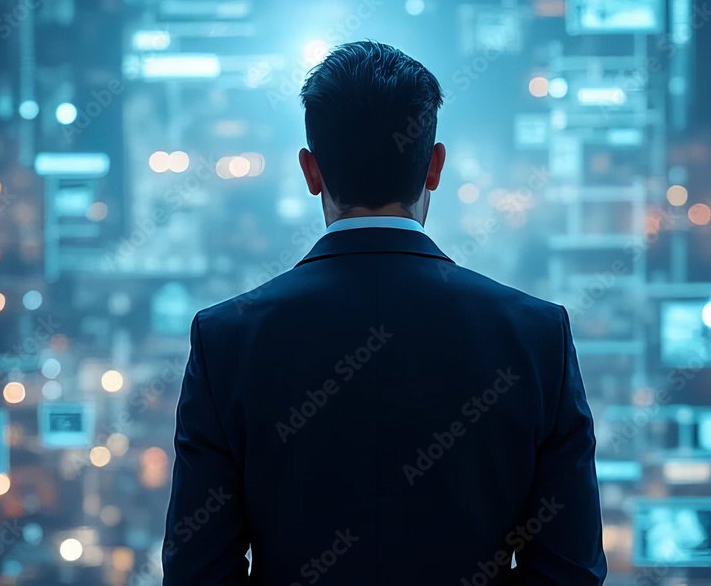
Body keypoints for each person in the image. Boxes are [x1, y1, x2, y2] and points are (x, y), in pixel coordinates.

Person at [162, 40, 607, 585]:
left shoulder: (225, 339)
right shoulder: (537, 337)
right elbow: (569, 572)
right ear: (435, 165)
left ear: (311, 171)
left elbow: (197, 574)